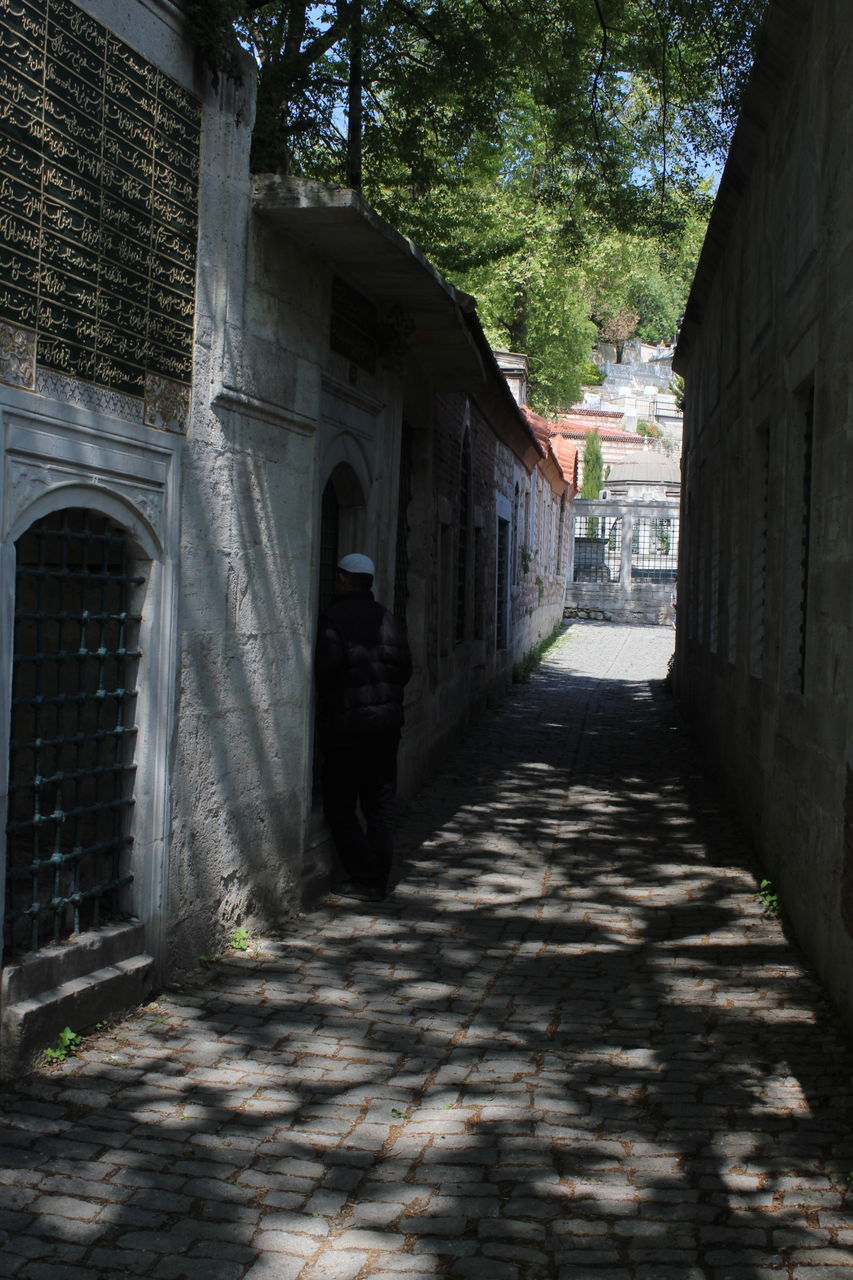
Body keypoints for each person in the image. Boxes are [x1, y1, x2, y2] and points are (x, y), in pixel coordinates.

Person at [315, 553, 412, 901]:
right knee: (380, 806)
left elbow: (326, 672)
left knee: (340, 805)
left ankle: (365, 876)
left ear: (342, 578)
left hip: (349, 729)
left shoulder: (333, 619)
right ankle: (379, 878)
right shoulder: (389, 619)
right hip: (386, 728)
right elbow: (405, 669)